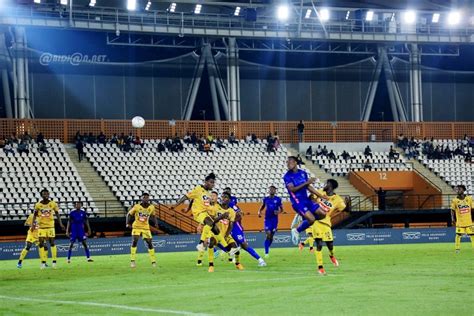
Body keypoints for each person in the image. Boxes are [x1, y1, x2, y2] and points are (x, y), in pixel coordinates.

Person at [173, 173, 238, 254]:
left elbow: (197, 201)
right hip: (199, 213)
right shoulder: (198, 189)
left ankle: (228, 249)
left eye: (213, 183)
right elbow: (187, 197)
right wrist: (176, 205)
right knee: (211, 223)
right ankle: (200, 244)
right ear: (206, 181)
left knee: (216, 229)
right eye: (211, 182)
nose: (212, 184)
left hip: (205, 213)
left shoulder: (207, 193)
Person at [283, 156, 327, 246]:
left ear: (295, 162)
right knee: (311, 219)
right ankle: (296, 230)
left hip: (306, 199)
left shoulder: (303, 173)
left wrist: (321, 196)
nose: (288, 164)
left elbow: (309, 187)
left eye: (290, 162)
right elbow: (293, 189)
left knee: (323, 214)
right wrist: (307, 182)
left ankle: (303, 217)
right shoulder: (287, 176)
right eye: (287, 162)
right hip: (297, 202)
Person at [310, 179, 350, 275]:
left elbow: (345, 210)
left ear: (330, 185)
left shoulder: (338, 200)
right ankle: (320, 267)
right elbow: (311, 197)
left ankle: (331, 255)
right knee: (319, 244)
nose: (324, 184)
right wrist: (312, 199)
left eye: (326, 183)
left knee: (330, 245)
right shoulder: (320, 192)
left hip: (326, 223)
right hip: (316, 221)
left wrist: (348, 203)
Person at [31, 189, 65, 269]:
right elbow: (34, 215)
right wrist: (32, 225)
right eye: (44, 194)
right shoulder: (38, 205)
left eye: (47, 194)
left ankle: (54, 262)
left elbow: (57, 214)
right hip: (41, 227)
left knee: (52, 243)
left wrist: (61, 224)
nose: (45, 195)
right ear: (41, 195)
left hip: (50, 226)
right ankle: (43, 262)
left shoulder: (53, 203)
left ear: (49, 194)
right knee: (41, 244)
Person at [126, 193, 158, 268]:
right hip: (136, 226)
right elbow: (129, 214)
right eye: (144, 197)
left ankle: (153, 261)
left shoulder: (152, 207)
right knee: (135, 241)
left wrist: (156, 223)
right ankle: (132, 261)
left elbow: (153, 216)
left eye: (147, 197)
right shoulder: (137, 207)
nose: (146, 199)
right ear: (141, 198)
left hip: (146, 227)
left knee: (149, 242)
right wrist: (127, 223)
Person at [258, 185, 283, 257]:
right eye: (271, 189)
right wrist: (259, 212)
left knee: (271, 236)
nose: (272, 190)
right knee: (268, 234)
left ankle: (267, 246)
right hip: (267, 219)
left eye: (273, 189)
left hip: (275, 220)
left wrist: (278, 212)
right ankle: (266, 252)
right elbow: (262, 207)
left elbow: (282, 209)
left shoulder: (278, 199)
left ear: (275, 191)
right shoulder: (265, 199)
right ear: (268, 191)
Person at [450, 185, 473, 253]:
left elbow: (473, 209)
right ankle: (457, 249)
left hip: (469, 221)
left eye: (459, 189)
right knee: (458, 235)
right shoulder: (454, 200)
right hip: (460, 222)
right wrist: (452, 219)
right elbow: (452, 210)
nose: (458, 190)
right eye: (457, 189)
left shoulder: (469, 198)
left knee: (472, 235)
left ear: (463, 190)